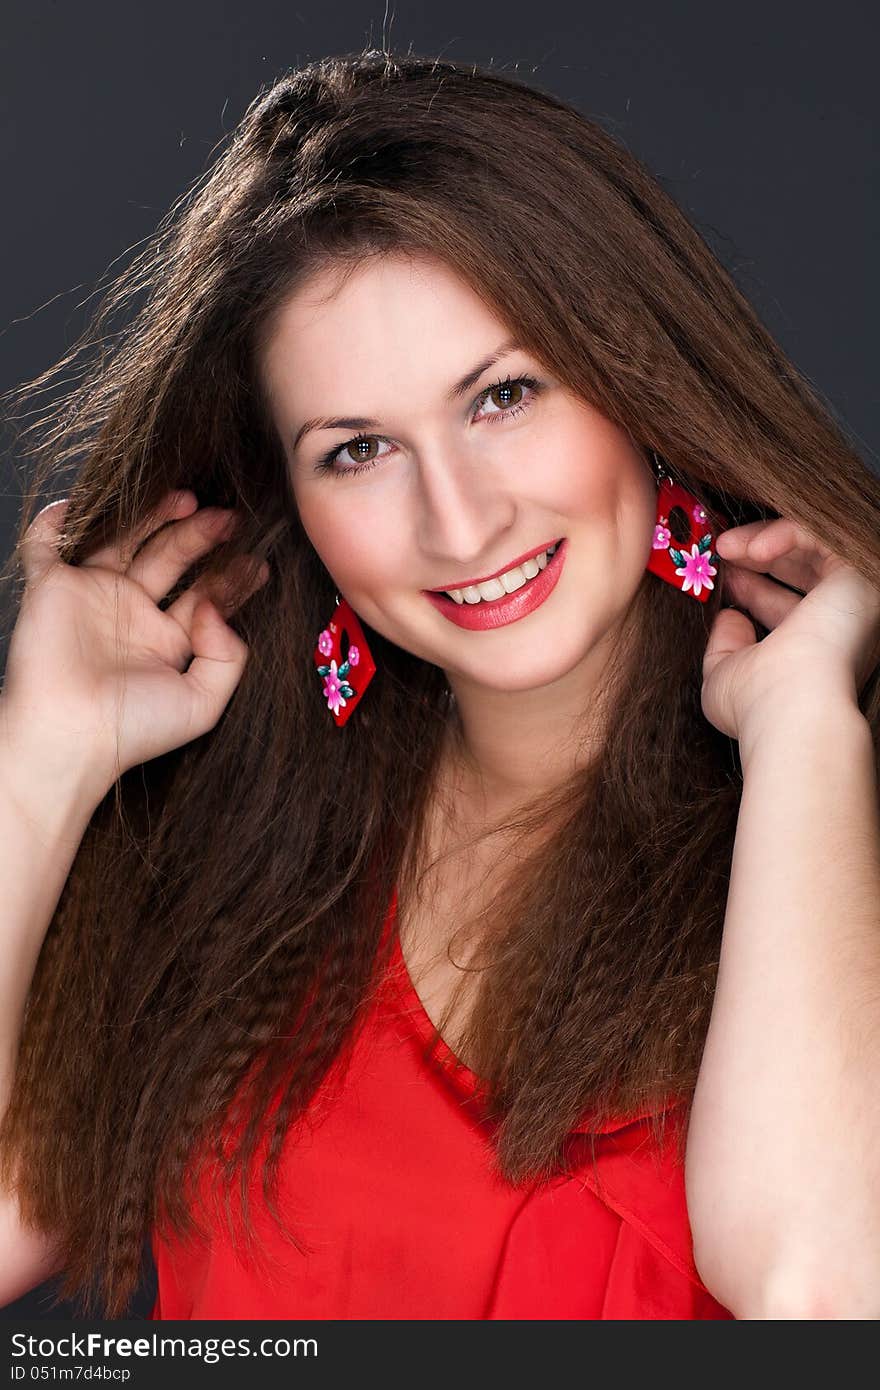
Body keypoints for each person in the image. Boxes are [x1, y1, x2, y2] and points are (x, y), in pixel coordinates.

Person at [1, 48, 879, 1322]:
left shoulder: (833, 814)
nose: (459, 524)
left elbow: (820, 1287)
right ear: (290, 499)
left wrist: (803, 730)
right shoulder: (243, 837)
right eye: (357, 450)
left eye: (504, 395)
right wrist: (41, 756)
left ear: (639, 371)